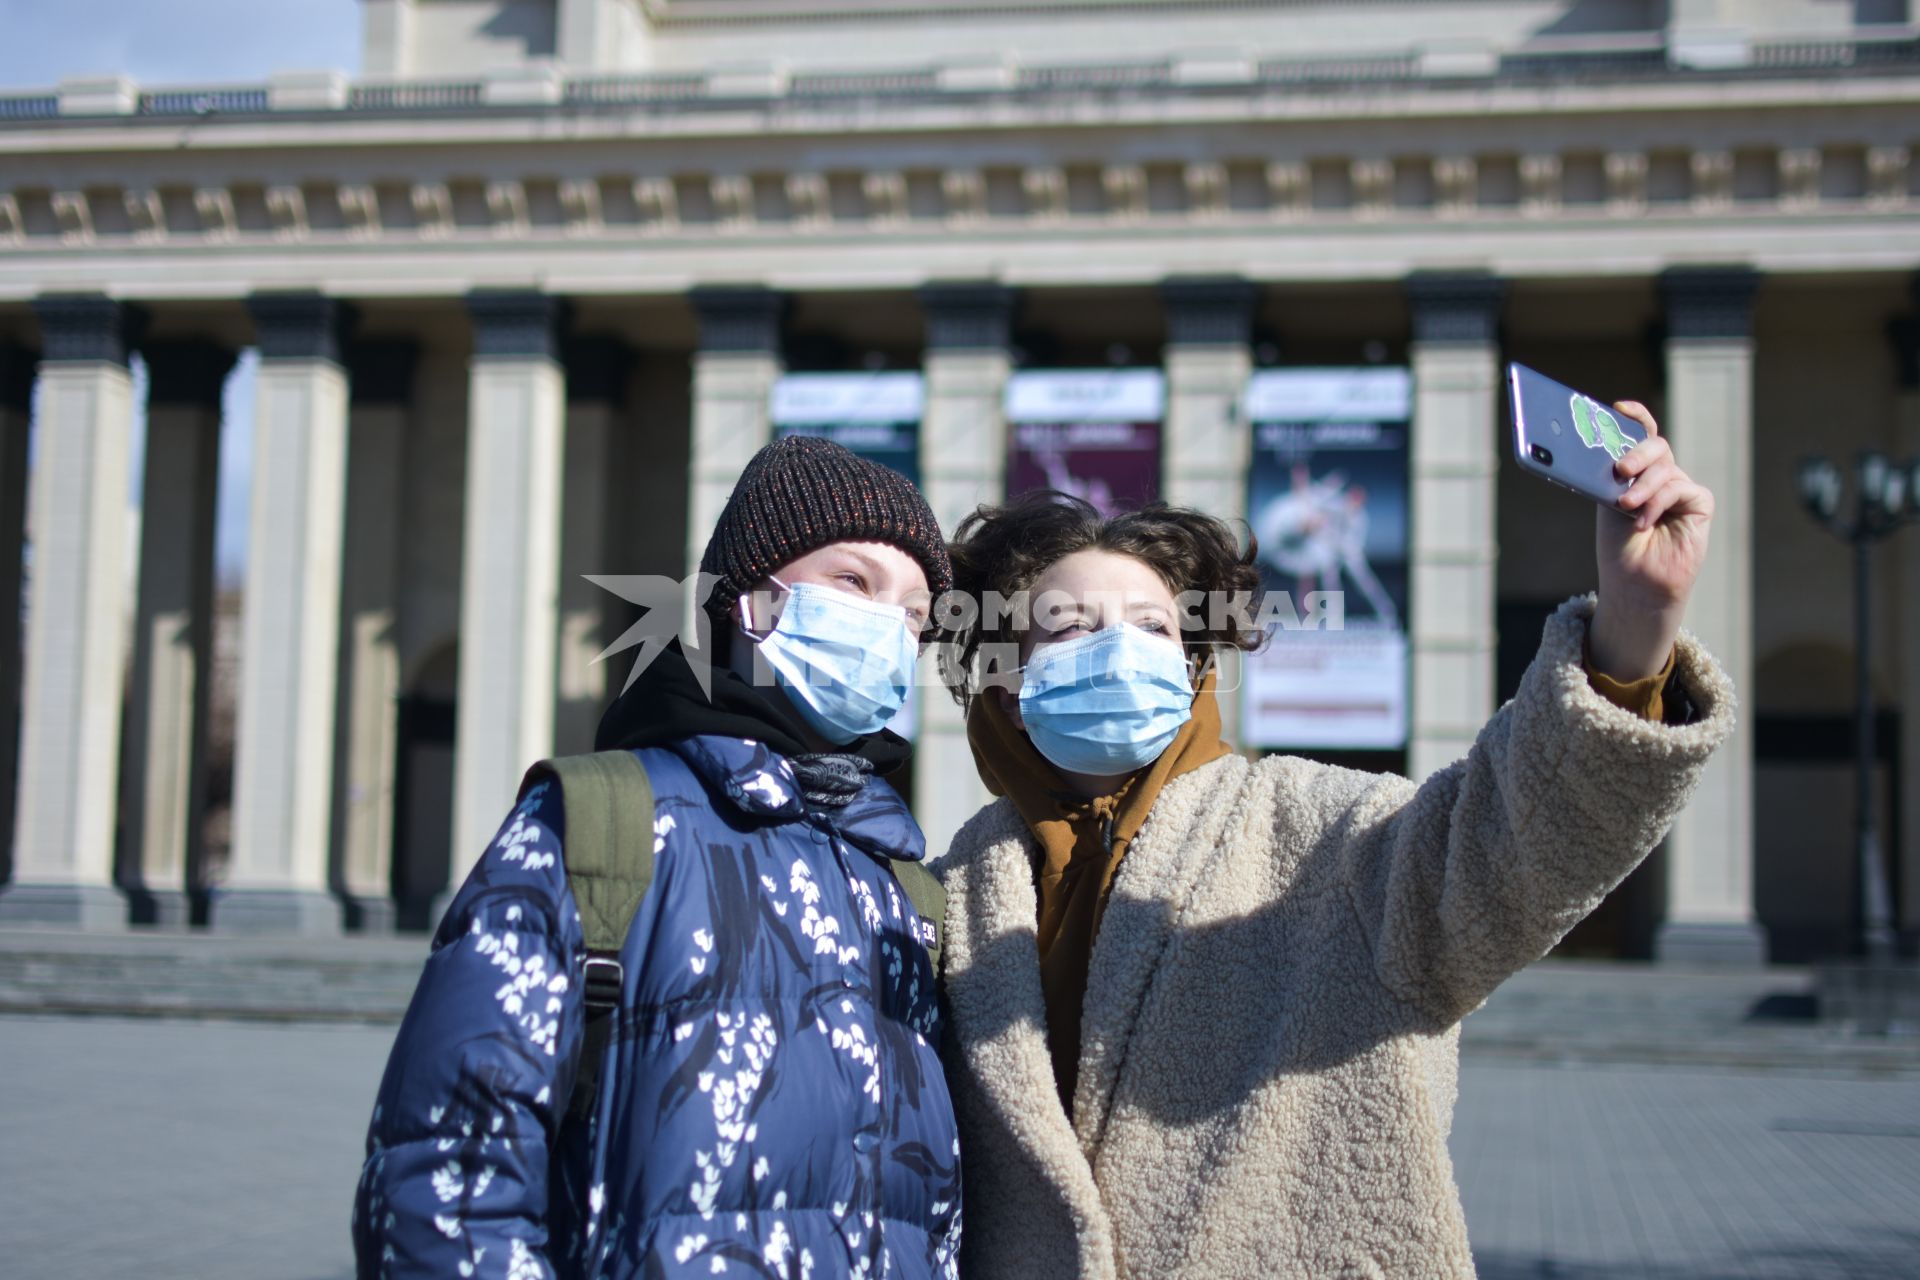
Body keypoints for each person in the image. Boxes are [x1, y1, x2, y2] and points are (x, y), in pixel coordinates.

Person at [931, 402, 1732, 1278]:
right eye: (1071, 624)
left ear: (1194, 666)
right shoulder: (956, 897)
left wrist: (1633, 626)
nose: (1117, 648)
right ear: (1008, 683)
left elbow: (1513, 843)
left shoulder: (1319, 832)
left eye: (1153, 626)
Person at [353, 436, 963, 1280]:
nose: (887, 628)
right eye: (853, 582)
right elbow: (449, 1166)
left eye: (914, 615)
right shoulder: (602, 822)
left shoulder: (902, 885)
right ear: (750, 599)